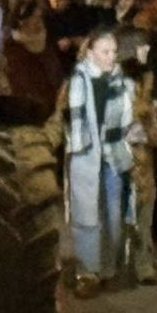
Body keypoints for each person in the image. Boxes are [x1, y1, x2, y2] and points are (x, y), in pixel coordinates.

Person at [60, 27, 135, 298]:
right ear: (90, 52)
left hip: (114, 155)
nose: (111, 57)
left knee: (114, 215)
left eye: (114, 51)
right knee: (86, 214)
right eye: (105, 51)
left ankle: (108, 267)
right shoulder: (79, 81)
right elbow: (71, 120)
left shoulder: (121, 81)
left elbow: (128, 120)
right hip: (86, 153)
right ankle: (87, 272)